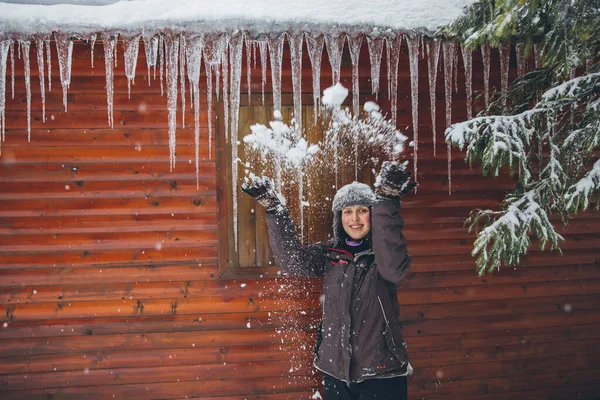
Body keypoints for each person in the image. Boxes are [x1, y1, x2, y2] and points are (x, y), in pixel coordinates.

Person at [241, 161, 415, 400]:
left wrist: (386, 200)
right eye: (347, 211)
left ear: (373, 215)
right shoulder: (330, 255)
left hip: (381, 373)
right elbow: (294, 262)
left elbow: (395, 269)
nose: (355, 218)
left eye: (363, 210)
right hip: (335, 372)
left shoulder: (384, 257)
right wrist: (275, 210)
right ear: (340, 218)